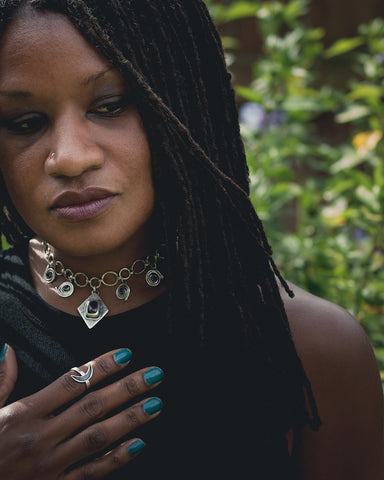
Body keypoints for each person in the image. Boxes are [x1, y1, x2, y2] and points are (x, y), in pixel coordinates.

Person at [0, 0, 382, 478]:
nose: (71, 157)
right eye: (25, 122)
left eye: (110, 105)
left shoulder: (314, 349)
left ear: (183, 100)